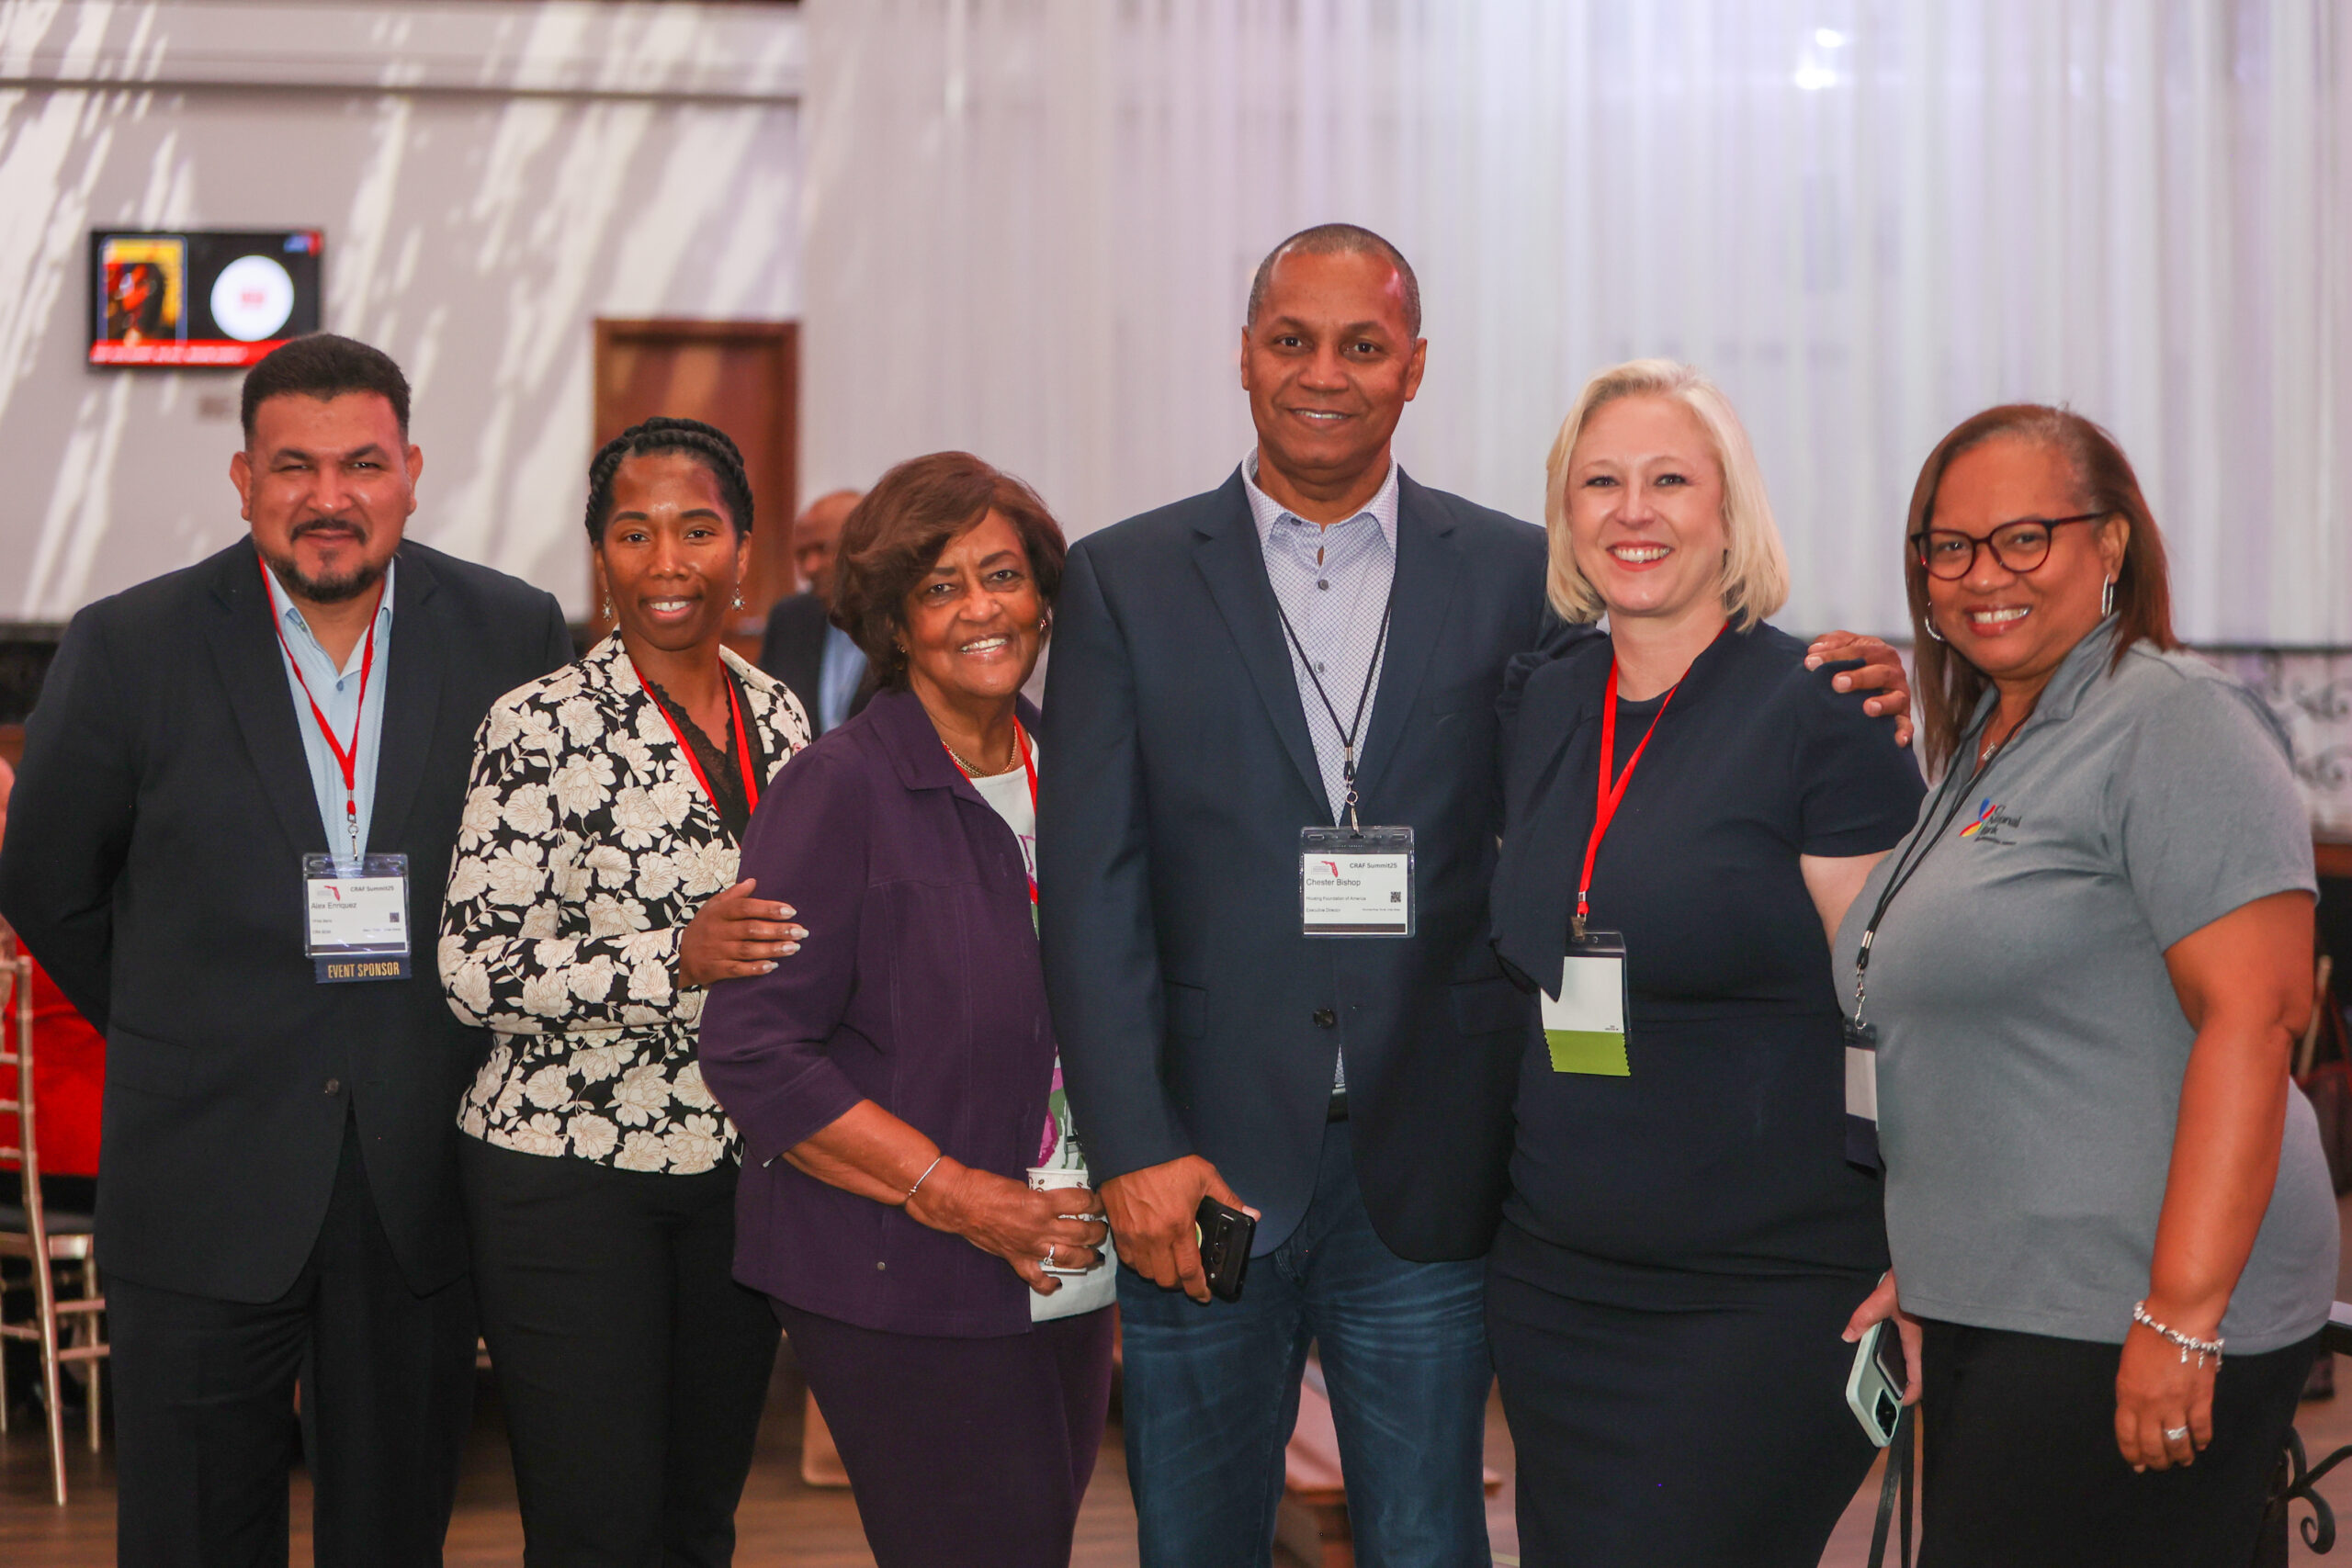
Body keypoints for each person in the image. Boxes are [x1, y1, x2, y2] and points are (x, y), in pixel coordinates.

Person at [1036, 224, 1917, 1567]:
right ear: (1244, 355)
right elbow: (1091, 893)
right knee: (1194, 1538)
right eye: (1292, 340)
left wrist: (1856, 681)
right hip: (1202, 1164)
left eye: (1363, 344)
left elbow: (1676, 707)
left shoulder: (1521, 577)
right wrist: (1131, 1149)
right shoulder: (1124, 579)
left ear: (1414, 366)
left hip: (1440, 1168)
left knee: (1430, 1538)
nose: (1324, 372)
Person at [0, 333, 573, 1565]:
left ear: (411, 473)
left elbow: (538, 880)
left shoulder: (512, 633)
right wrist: (181, 1021)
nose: (328, 497)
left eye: (361, 463)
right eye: (294, 466)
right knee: (193, 1533)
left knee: (394, 1534)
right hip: (200, 1169)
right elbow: (47, 880)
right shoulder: (129, 644)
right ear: (243, 479)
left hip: (418, 1180)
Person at [1838, 404, 2337, 1567]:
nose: (1982, 575)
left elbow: (2256, 1018)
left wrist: (2182, 1316)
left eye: (2024, 538)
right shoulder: (1989, 743)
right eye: (1949, 546)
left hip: (2126, 1314)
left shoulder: (2173, 721)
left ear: (2109, 543)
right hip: (2009, 1308)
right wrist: (1940, 1264)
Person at [1483, 360, 1925, 1566]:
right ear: (1565, 513)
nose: (1634, 510)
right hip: (1558, 1286)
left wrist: (1931, 1239)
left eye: (1671, 480)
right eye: (1601, 482)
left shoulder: (1822, 709)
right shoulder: (1541, 701)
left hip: (1766, 1293)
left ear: (1730, 511)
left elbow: (1907, 1008)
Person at [701, 452, 1115, 1568]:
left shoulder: (1082, 768)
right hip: (905, 1266)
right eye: (940, 587)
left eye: (1003, 575)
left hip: (1069, 1251)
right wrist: (962, 1198)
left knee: (1034, 1543)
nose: (981, 609)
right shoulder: (837, 788)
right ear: (893, 622)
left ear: (1042, 597)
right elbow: (755, 1051)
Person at [438, 417, 811, 1564]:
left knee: (699, 1520)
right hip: (566, 1173)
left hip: (738, 1171)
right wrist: (672, 958)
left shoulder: (782, 715)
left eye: (697, 529)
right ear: (599, 554)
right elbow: (472, 968)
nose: (667, 561)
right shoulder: (535, 724)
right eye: (634, 532)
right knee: (593, 1526)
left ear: (742, 549)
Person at [760, 487, 873, 733]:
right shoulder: (790, 621)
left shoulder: (906, 625)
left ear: (868, 545)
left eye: (822, 549)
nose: (810, 567)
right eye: (801, 555)